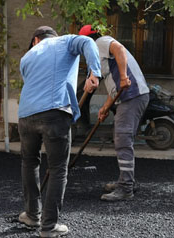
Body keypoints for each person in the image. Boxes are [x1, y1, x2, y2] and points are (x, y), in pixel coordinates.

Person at [17, 26, 101, 237]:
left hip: (25, 116)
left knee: (29, 162)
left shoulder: (26, 57)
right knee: (57, 169)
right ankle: (48, 227)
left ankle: (32, 215)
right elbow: (88, 42)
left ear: (36, 39)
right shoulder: (64, 41)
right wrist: (94, 72)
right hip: (54, 112)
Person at [79, 24, 149, 202]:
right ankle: (126, 182)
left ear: (88, 40)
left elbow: (119, 49)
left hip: (132, 96)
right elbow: (113, 83)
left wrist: (125, 76)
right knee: (123, 139)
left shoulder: (101, 42)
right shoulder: (99, 54)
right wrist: (105, 107)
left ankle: (126, 188)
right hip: (128, 97)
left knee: (122, 139)